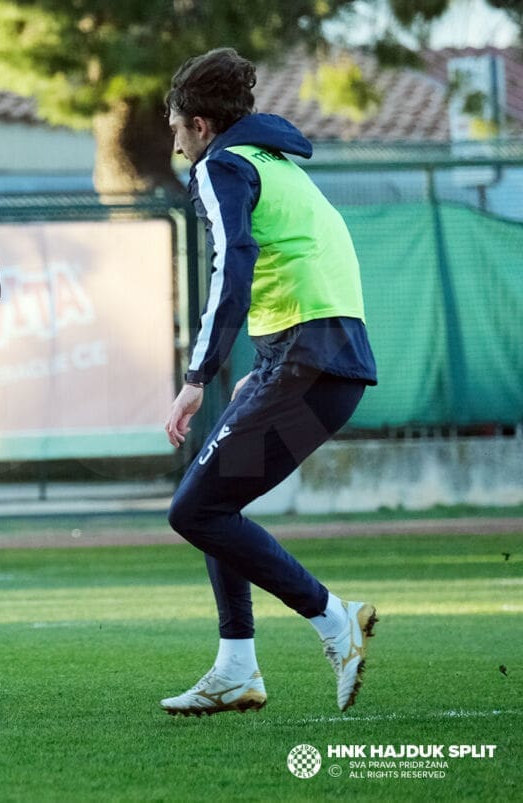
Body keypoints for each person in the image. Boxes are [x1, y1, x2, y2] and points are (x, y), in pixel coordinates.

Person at [160, 48, 379, 716]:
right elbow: (300, 261)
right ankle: (237, 668)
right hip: (322, 364)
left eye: (176, 129)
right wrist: (265, 359)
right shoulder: (271, 161)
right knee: (212, 502)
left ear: (200, 126)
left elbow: (233, 266)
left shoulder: (220, 165)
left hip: (307, 361)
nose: (174, 145)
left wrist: (197, 376)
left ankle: (335, 619)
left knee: (194, 510)